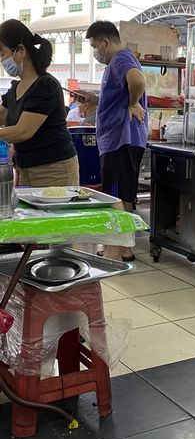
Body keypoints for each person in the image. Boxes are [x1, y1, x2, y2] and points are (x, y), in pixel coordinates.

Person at [86, 21, 147, 262]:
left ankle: (115, 250)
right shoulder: (124, 59)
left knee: (115, 198)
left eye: (94, 46)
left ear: (105, 42)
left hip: (119, 140)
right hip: (126, 139)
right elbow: (124, 89)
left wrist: (133, 103)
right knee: (125, 195)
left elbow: (138, 82)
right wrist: (98, 98)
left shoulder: (120, 59)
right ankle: (125, 248)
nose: (95, 52)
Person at [0, 19, 79, 186]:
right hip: (25, 168)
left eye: (2, 54)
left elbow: (23, 131)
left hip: (53, 169)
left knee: (52, 212)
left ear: (20, 51)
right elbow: (2, 114)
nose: (1, 60)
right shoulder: (15, 88)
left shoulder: (45, 85)